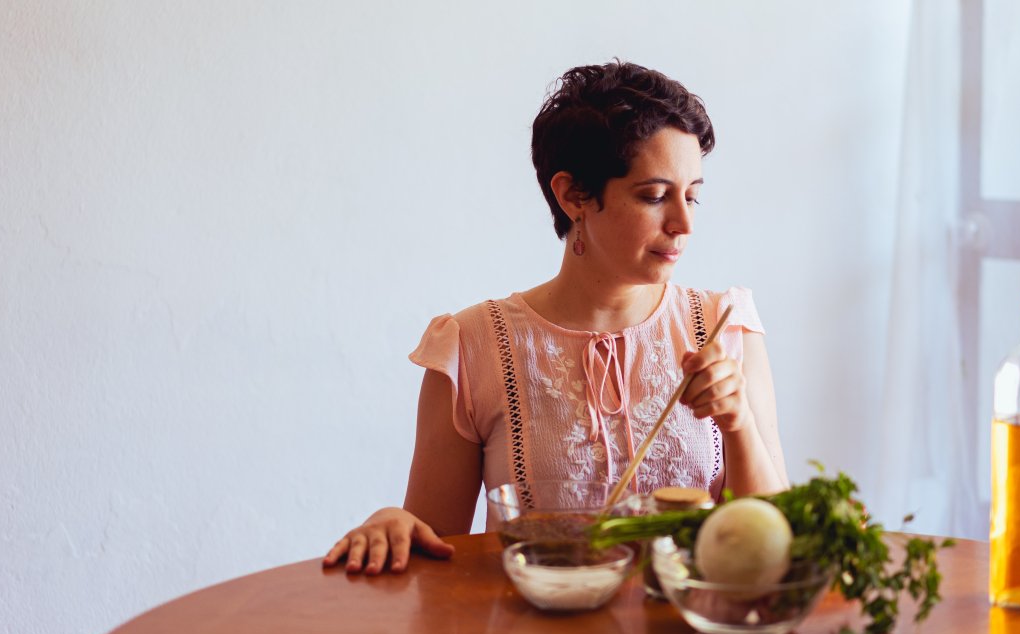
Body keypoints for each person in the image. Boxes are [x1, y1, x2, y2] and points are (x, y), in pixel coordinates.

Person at [323, 61, 789, 575]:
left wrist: (738, 421)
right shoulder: (470, 348)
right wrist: (395, 524)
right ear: (573, 196)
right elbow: (436, 553)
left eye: (693, 195)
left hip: (692, 625)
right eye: (654, 196)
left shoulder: (726, 327)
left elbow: (781, 541)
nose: (684, 223)